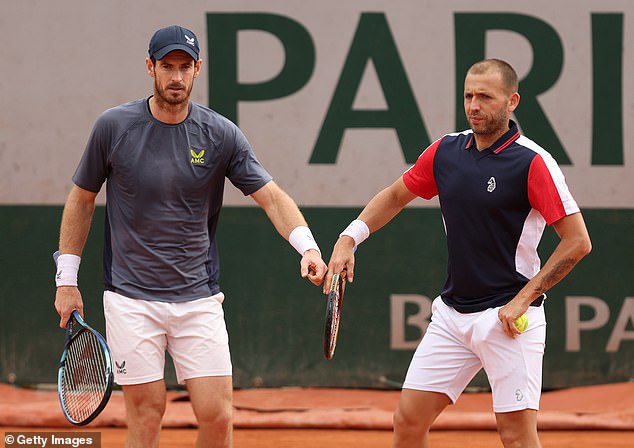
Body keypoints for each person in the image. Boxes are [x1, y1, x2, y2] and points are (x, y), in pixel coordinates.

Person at [54, 25, 327, 448]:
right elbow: (81, 199)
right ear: (151, 68)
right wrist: (66, 281)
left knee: (218, 418)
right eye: (167, 66)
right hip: (130, 299)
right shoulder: (113, 126)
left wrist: (307, 246)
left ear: (197, 69)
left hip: (198, 299)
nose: (176, 77)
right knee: (146, 417)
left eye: (185, 67)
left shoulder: (220, 134)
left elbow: (271, 197)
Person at [325, 59, 591, 448]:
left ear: (512, 101)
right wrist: (350, 238)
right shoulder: (446, 151)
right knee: (408, 422)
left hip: (509, 321)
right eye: (468, 95)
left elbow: (577, 241)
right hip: (452, 317)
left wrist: (523, 299)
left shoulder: (532, 162)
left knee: (517, 437)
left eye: (485, 96)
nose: (474, 105)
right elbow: (397, 195)